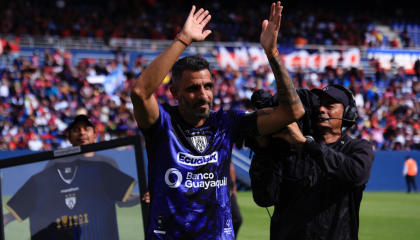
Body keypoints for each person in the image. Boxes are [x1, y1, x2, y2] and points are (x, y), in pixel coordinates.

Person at [130, 2, 305, 239]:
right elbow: (140, 92)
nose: (203, 95)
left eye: (208, 86)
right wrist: (183, 39)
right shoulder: (161, 123)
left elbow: (292, 112)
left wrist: (272, 53)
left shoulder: (227, 122)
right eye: (192, 89)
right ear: (174, 92)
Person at [249, 84, 375, 240]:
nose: (321, 110)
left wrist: (306, 144)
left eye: (330, 106)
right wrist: (263, 148)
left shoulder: (358, 147)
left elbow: (356, 173)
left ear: (348, 113)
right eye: (319, 105)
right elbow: (264, 198)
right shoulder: (290, 147)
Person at [3, 115, 141, 226]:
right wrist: (6, 219)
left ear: (95, 135)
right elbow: (38, 198)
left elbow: (122, 200)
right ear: (69, 139)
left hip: (99, 231)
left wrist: (144, 197)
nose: (81, 132)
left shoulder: (107, 163)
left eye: (86, 129)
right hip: (66, 232)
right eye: (76, 130)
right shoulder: (56, 163)